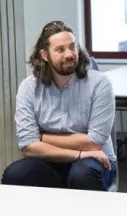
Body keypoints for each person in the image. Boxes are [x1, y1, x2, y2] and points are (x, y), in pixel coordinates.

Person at [1, 21, 117, 191]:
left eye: (72, 47)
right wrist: (79, 152)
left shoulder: (99, 83)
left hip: (96, 160)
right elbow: (28, 146)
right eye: (60, 50)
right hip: (51, 161)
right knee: (15, 174)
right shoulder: (29, 87)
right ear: (44, 55)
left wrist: (42, 138)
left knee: (82, 174)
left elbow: (94, 142)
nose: (70, 54)